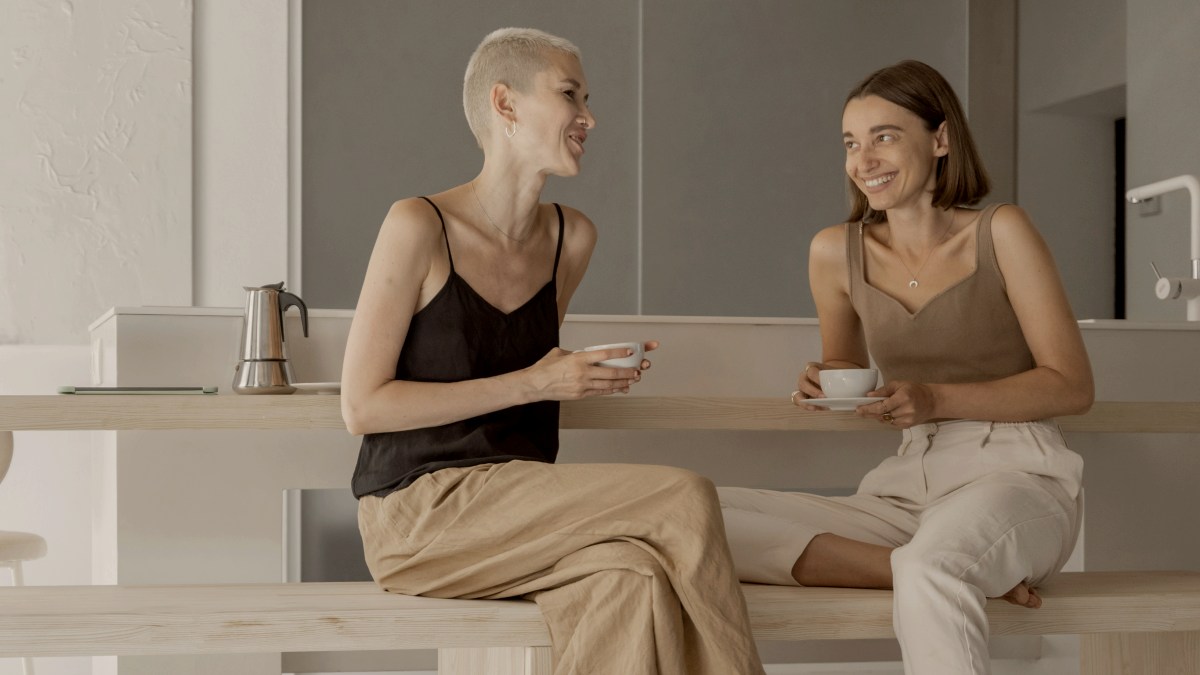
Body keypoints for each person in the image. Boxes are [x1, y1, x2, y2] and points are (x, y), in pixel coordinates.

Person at [341, 28, 765, 675]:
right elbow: (362, 406)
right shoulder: (418, 225)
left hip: (524, 501)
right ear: (505, 105)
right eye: (571, 95)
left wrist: (577, 375)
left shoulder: (571, 238)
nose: (589, 117)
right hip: (420, 512)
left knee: (630, 576)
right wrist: (536, 383)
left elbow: (526, 370)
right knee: (684, 496)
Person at [718, 60, 1093, 675]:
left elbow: (1072, 386)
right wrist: (824, 378)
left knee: (931, 563)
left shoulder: (1003, 232)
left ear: (940, 140)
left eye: (884, 136)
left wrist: (937, 400)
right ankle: (955, 572)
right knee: (696, 513)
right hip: (906, 486)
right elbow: (846, 362)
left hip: (1019, 477)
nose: (863, 159)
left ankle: (943, 567)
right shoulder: (835, 251)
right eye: (851, 143)